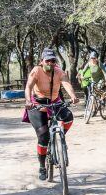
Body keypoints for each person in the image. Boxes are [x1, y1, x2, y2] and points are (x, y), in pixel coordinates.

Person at [24, 49, 79, 180]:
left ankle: (60, 139)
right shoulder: (36, 71)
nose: (50, 63)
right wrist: (27, 101)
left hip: (55, 102)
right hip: (37, 104)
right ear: (42, 61)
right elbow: (28, 87)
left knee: (68, 118)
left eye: (53, 60)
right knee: (43, 135)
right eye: (47, 60)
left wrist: (73, 96)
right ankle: (42, 166)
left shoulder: (59, 71)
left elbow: (66, 83)